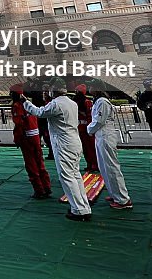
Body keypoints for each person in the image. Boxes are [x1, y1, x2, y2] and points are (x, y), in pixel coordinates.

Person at [23, 79, 92, 221]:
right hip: (74, 141)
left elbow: (38, 112)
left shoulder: (56, 104)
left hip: (64, 143)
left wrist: (25, 102)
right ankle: (83, 206)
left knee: (66, 176)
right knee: (75, 175)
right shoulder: (71, 103)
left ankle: (78, 210)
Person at [87, 80, 131, 209]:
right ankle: (114, 193)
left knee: (111, 168)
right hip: (101, 135)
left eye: (91, 85)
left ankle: (123, 199)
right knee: (104, 167)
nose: (89, 88)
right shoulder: (99, 101)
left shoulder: (102, 102)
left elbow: (99, 121)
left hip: (105, 134)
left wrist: (89, 129)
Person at [10, 84, 51, 199]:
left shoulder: (17, 106)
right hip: (35, 136)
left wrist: (17, 139)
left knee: (31, 164)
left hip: (26, 138)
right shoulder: (29, 104)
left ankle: (39, 190)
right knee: (40, 162)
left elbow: (19, 124)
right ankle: (46, 187)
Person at [73, 84, 99, 173]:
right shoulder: (84, 102)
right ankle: (90, 164)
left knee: (90, 147)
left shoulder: (86, 102)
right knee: (86, 148)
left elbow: (89, 116)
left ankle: (94, 164)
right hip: (81, 128)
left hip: (85, 128)